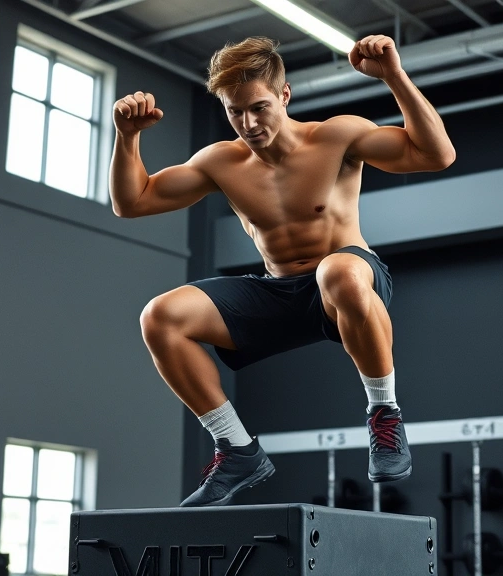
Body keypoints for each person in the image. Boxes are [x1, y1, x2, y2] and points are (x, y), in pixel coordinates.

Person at [110, 34, 455, 507]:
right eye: (235, 111)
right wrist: (128, 137)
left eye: (259, 107)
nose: (248, 123)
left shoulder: (336, 136)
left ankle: (385, 417)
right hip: (278, 292)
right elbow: (132, 202)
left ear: (284, 95)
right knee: (160, 316)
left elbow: (436, 155)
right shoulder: (221, 161)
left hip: (350, 282)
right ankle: (236, 449)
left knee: (336, 272)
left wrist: (394, 76)